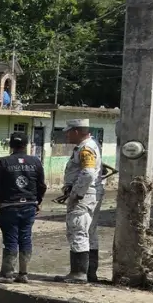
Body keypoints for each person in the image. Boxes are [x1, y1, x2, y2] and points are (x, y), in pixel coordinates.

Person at [0, 132, 46, 283]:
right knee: (25, 237)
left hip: (9, 207)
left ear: (11, 145)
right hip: (29, 206)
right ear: (26, 145)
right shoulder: (35, 162)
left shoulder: (4, 162)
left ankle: (7, 274)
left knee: (11, 238)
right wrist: (37, 201)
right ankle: (23, 274)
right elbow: (41, 185)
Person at [55, 119, 102, 284]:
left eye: (68, 132)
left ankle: (78, 273)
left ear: (76, 131)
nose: (66, 135)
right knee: (90, 232)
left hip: (83, 197)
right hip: (91, 195)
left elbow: (88, 173)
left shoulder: (85, 148)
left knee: (77, 230)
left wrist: (76, 193)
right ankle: (90, 273)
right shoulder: (91, 144)